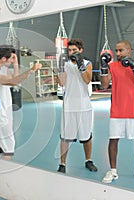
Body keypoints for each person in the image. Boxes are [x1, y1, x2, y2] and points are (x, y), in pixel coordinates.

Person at [100, 40, 134, 183]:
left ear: (129, 50)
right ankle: (113, 171)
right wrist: (103, 67)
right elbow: (103, 85)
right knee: (113, 140)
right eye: (117, 51)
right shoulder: (112, 66)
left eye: (121, 50)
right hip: (117, 110)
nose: (118, 54)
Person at [0, 44, 42, 160]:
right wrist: (31, 71)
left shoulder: (3, 69)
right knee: (8, 145)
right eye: (11, 59)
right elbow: (12, 82)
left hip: (2, 110)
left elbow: (15, 81)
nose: (12, 61)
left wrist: (16, 64)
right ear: (3, 59)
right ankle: (5, 173)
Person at [57, 38, 97, 173]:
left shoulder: (87, 63)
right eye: (69, 50)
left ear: (80, 50)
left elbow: (87, 80)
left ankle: (88, 160)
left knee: (86, 136)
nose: (71, 52)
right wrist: (60, 67)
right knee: (65, 137)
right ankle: (62, 164)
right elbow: (61, 83)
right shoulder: (66, 64)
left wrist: (80, 64)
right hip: (68, 106)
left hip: (84, 106)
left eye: (74, 50)